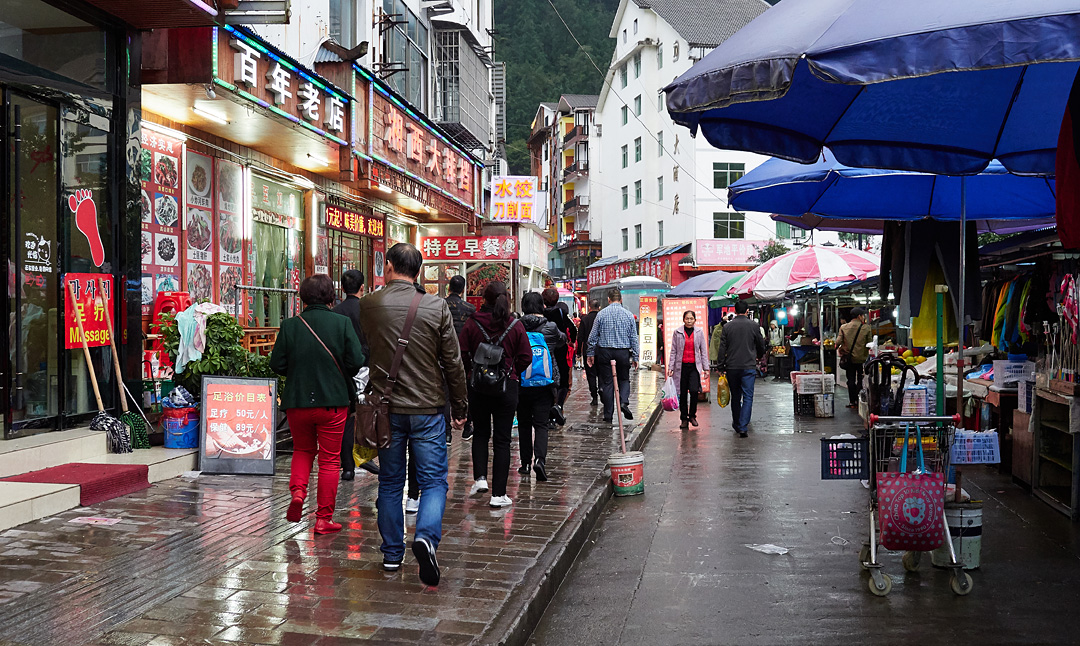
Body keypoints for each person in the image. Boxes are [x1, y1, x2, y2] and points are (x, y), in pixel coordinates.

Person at [357, 243, 468, 586]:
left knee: (391, 482)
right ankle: (425, 538)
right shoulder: (435, 307)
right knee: (433, 481)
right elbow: (452, 362)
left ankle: (392, 554)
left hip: (386, 410)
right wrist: (461, 407)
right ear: (419, 271)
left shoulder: (369, 304)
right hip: (427, 409)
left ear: (388, 266)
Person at [270, 275, 365, 535]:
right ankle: (323, 519)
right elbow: (356, 360)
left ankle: (299, 492)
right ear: (331, 296)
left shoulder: (290, 325)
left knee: (302, 450)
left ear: (303, 297)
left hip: (297, 402)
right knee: (330, 460)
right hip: (333, 402)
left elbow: (276, 364)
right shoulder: (342, 323)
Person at [458, 281, 532, 508]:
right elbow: (526, 357)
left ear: (483, 299)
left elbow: (461, 353)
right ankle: (499, 495)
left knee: (480, 433)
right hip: (506, 388)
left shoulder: (472, 323)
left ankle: (480, 478)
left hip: (478, 387)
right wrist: (510, 372)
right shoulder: (515, 325)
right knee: (502, 440)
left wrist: (474, 370)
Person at [333, 269, 379, 481]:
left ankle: (348, 466)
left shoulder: (336, 311)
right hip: (368, 367)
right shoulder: (370, 310)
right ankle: (365, 456)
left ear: (342, 288)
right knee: (368, 415)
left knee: (348, 418)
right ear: (363, 288)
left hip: (343, 369)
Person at [518, 292, 566, 481]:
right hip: (546, 382)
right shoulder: (551, 327)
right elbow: (562, 341)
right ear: (542, 306)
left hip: (522, 381)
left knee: (523, 423)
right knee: (541, 425)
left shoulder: (517, 326)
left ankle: (524, 464)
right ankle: (540, 460)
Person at [586, 288, 639, 424]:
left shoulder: (601, 314)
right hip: (622, 352)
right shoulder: (628, 315)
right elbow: (633, 337)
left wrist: (590, 353)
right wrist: (636, 357)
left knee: (607, 382)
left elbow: (592, 337)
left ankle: (608, 414)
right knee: (624, 379)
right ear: (620, 300)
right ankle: (623, 402)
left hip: (604, 352)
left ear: (608, 300)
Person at [717, 300, 767, 438]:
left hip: (732, 367)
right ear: (746, 311)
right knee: (748, 397)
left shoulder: (727, 327)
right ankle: (743, 426)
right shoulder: (754, 326)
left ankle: (737, 423)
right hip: (748, 366)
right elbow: (760, 344)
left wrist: (720, 366)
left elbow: (722, 348)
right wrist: (760, 355)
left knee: (735, 396)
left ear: (735, 310)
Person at [443, 275, 476, 443]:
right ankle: (467, 425)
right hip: (464, 355)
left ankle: (447, 432)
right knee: (466, 390)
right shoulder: (470, 309)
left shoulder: (440, 305)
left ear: (449, 288)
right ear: (463, 289)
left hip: (442, 354)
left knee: (445, 392)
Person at [668, 311, 709, 430]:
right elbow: (673, 351)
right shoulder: (677, 332)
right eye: (687, 319)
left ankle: (692, 416)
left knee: (694, 391)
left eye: (691, 319)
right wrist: (671, 367)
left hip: (694, 367)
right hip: (681, 367)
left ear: (695, 320)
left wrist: (706, 368)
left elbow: (703, 351)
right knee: (682, 393)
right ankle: (684, 419)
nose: (689, 321)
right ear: (683, 320)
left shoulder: (699, 332)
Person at [542, 287, 577, 412]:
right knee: (563, 383)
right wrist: (571, 341)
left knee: (546, 381)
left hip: (543, 351)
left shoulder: (540, 313)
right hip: (560, 350)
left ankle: (549, 408)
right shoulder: (561, 313)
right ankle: (558, 406)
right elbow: (573, 330)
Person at [837, 307, 872, 409]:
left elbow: (838, 342)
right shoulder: (866, 328)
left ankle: (852, 402)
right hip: (861, 358)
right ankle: (860, 400)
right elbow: (869, 343)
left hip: (849, 358)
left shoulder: (843, 327)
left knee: (850, 380)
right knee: (860, 379)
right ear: (859, 316)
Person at [576, 300, 601, 406]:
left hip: (588, 352)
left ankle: (594, 397)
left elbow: (580, 337)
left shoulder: (585, 319)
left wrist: (578, 352)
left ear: (589, 307)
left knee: (591, 375)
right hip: (601, 351)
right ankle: (603, 392)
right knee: (602, 374)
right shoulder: (602, 317)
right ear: (599, 307)